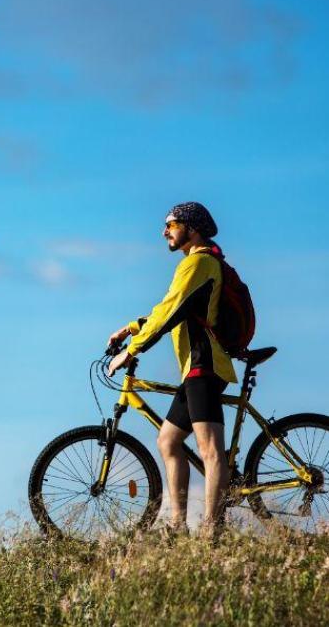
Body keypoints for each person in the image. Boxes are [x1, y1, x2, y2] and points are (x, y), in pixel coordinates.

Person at [107, 202, 237, 535]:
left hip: (203, 366)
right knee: (168, 441)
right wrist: (129, 329)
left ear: (191, 228)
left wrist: (131, 351)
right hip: (193, 368)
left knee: (210, 451)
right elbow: (168, 308)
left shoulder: (199, 262)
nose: (165, 231)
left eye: (171, 224)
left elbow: (168, 315)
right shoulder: (193, 265)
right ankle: (178, 526)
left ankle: (213, 531)